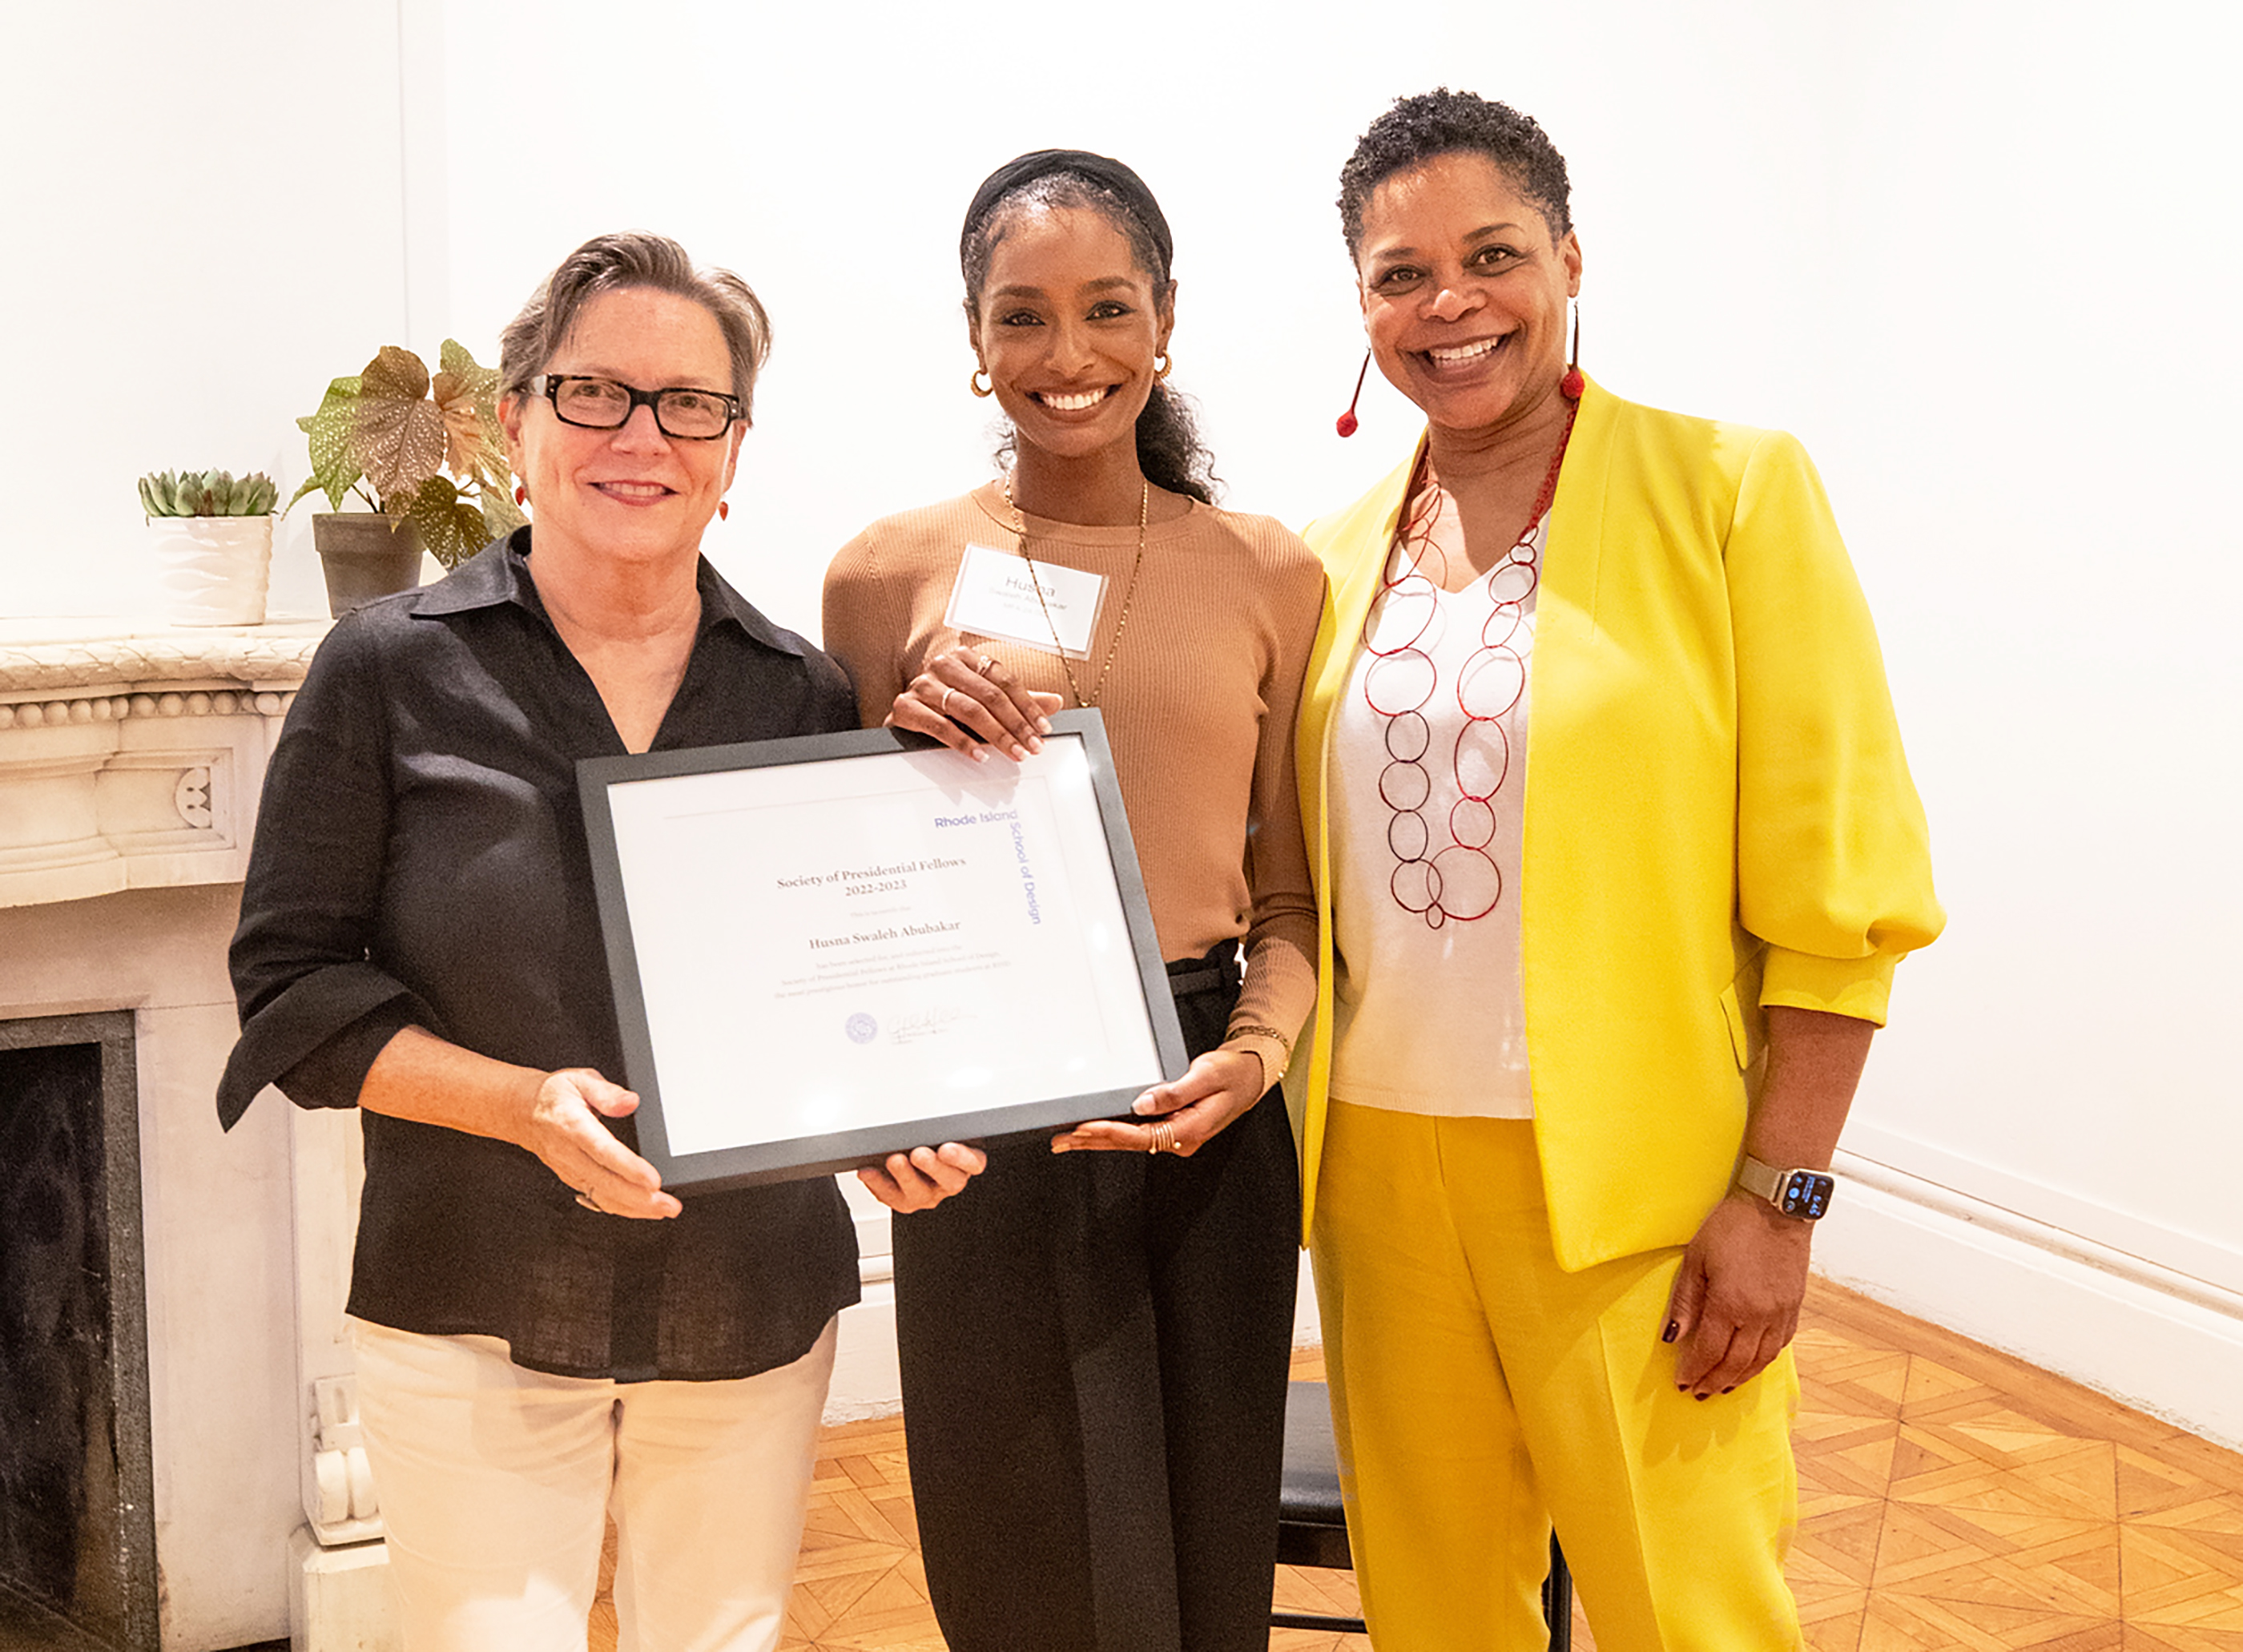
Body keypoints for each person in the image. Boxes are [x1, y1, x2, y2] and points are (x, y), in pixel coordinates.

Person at [215, 232, 981, 1652]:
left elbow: (832, 985)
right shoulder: (385, 667)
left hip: (744, 1288)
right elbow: (293, 988)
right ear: (517, 422)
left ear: (734, 448)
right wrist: (523, 1105)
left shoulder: (801, 694)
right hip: (474, 1284)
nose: (643, 435)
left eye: (690, 403)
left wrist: (890, 1119)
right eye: (595, 394)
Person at [1290, 91, 1945, 1650]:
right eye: (1397, 274)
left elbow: (1839, 883)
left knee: (1686, 1606)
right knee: (1438, 1609)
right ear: (1361, 305)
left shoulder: (1726, 490)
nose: (1445, 303)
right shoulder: (1325, 552)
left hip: (1637, 1190)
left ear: (1569, 257)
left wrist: (1775, 1198)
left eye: (1489, 254)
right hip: (1375, 1178)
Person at [819, 150, 1325, 1652]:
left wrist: (1257, 1056)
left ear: (1164, 323)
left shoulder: (1269, 572)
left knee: (1205, 1534)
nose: (1068, 355)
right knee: (1018, 1533)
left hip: (1206, 1086)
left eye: (1108, 308)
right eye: (1022, 315)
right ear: (974, 340)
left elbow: (1291, 889)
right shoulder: (881, 574)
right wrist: (902, 737)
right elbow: (848, 881)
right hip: (984, 1092)